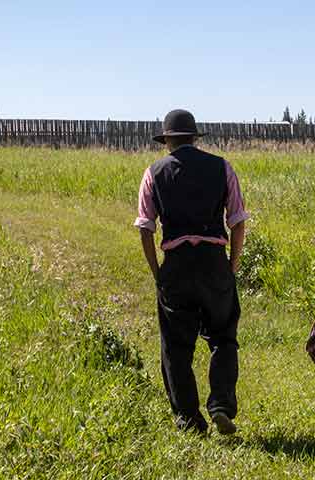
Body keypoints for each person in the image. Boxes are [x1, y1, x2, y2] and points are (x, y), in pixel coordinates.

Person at [134, 109, 249, 435]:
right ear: (195, 138)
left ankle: (189, 419)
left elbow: (145, 228)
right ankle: (221, 405)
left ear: (167, 140)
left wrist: (158, 272)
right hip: (214, 260)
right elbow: (238, 222)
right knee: (223, 336)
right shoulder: (222, 167)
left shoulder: (153, 173)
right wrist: (232, 265)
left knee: (175, 346)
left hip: (176, 263)